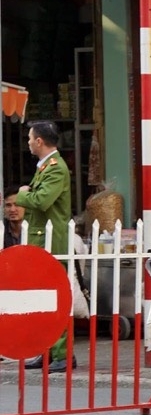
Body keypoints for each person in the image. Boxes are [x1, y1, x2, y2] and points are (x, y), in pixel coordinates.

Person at [17, 121, 75, 373]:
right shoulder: (45, 166)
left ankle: (62, 353)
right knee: (42, 298)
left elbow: (41, 200)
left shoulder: (56, 168)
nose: (28, 142)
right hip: (41, 239)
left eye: (30, 138)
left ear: (39, 141)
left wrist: (20, 194)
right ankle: (47, 350)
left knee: (55, 297)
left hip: (52, 241)